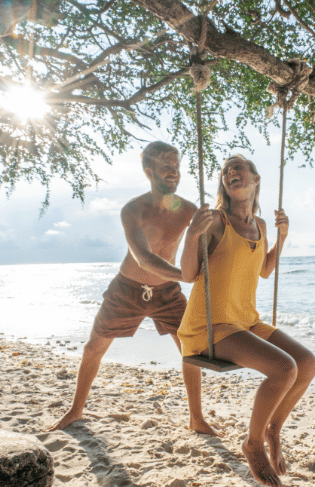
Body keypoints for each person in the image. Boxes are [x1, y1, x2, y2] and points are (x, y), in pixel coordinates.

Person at [49, 141, 216, 435]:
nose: (173, 173)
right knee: (93, 348)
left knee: (191, 351)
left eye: (176, 167)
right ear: (148, 171)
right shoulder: (133, 210)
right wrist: (185, 276)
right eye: (166, 167)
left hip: (167, 294)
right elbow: (144, 258)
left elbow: (215, 240)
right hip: (127, 289)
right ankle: (76, 410)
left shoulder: (189, 210)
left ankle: (196, 418)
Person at [178, 154, 315, 487]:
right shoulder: (214, 221)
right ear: (224, 184)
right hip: (209, 326)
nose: (230, 173)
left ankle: (273, 430)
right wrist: (191, 235)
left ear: (256, 179)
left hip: (246, 320)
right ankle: (252, 443)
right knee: (284, 369)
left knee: (307, 364)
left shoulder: (261, 226)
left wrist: (281, 238)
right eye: (226, 170)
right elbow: (187, 275)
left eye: (237, 168)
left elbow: (265, 270)